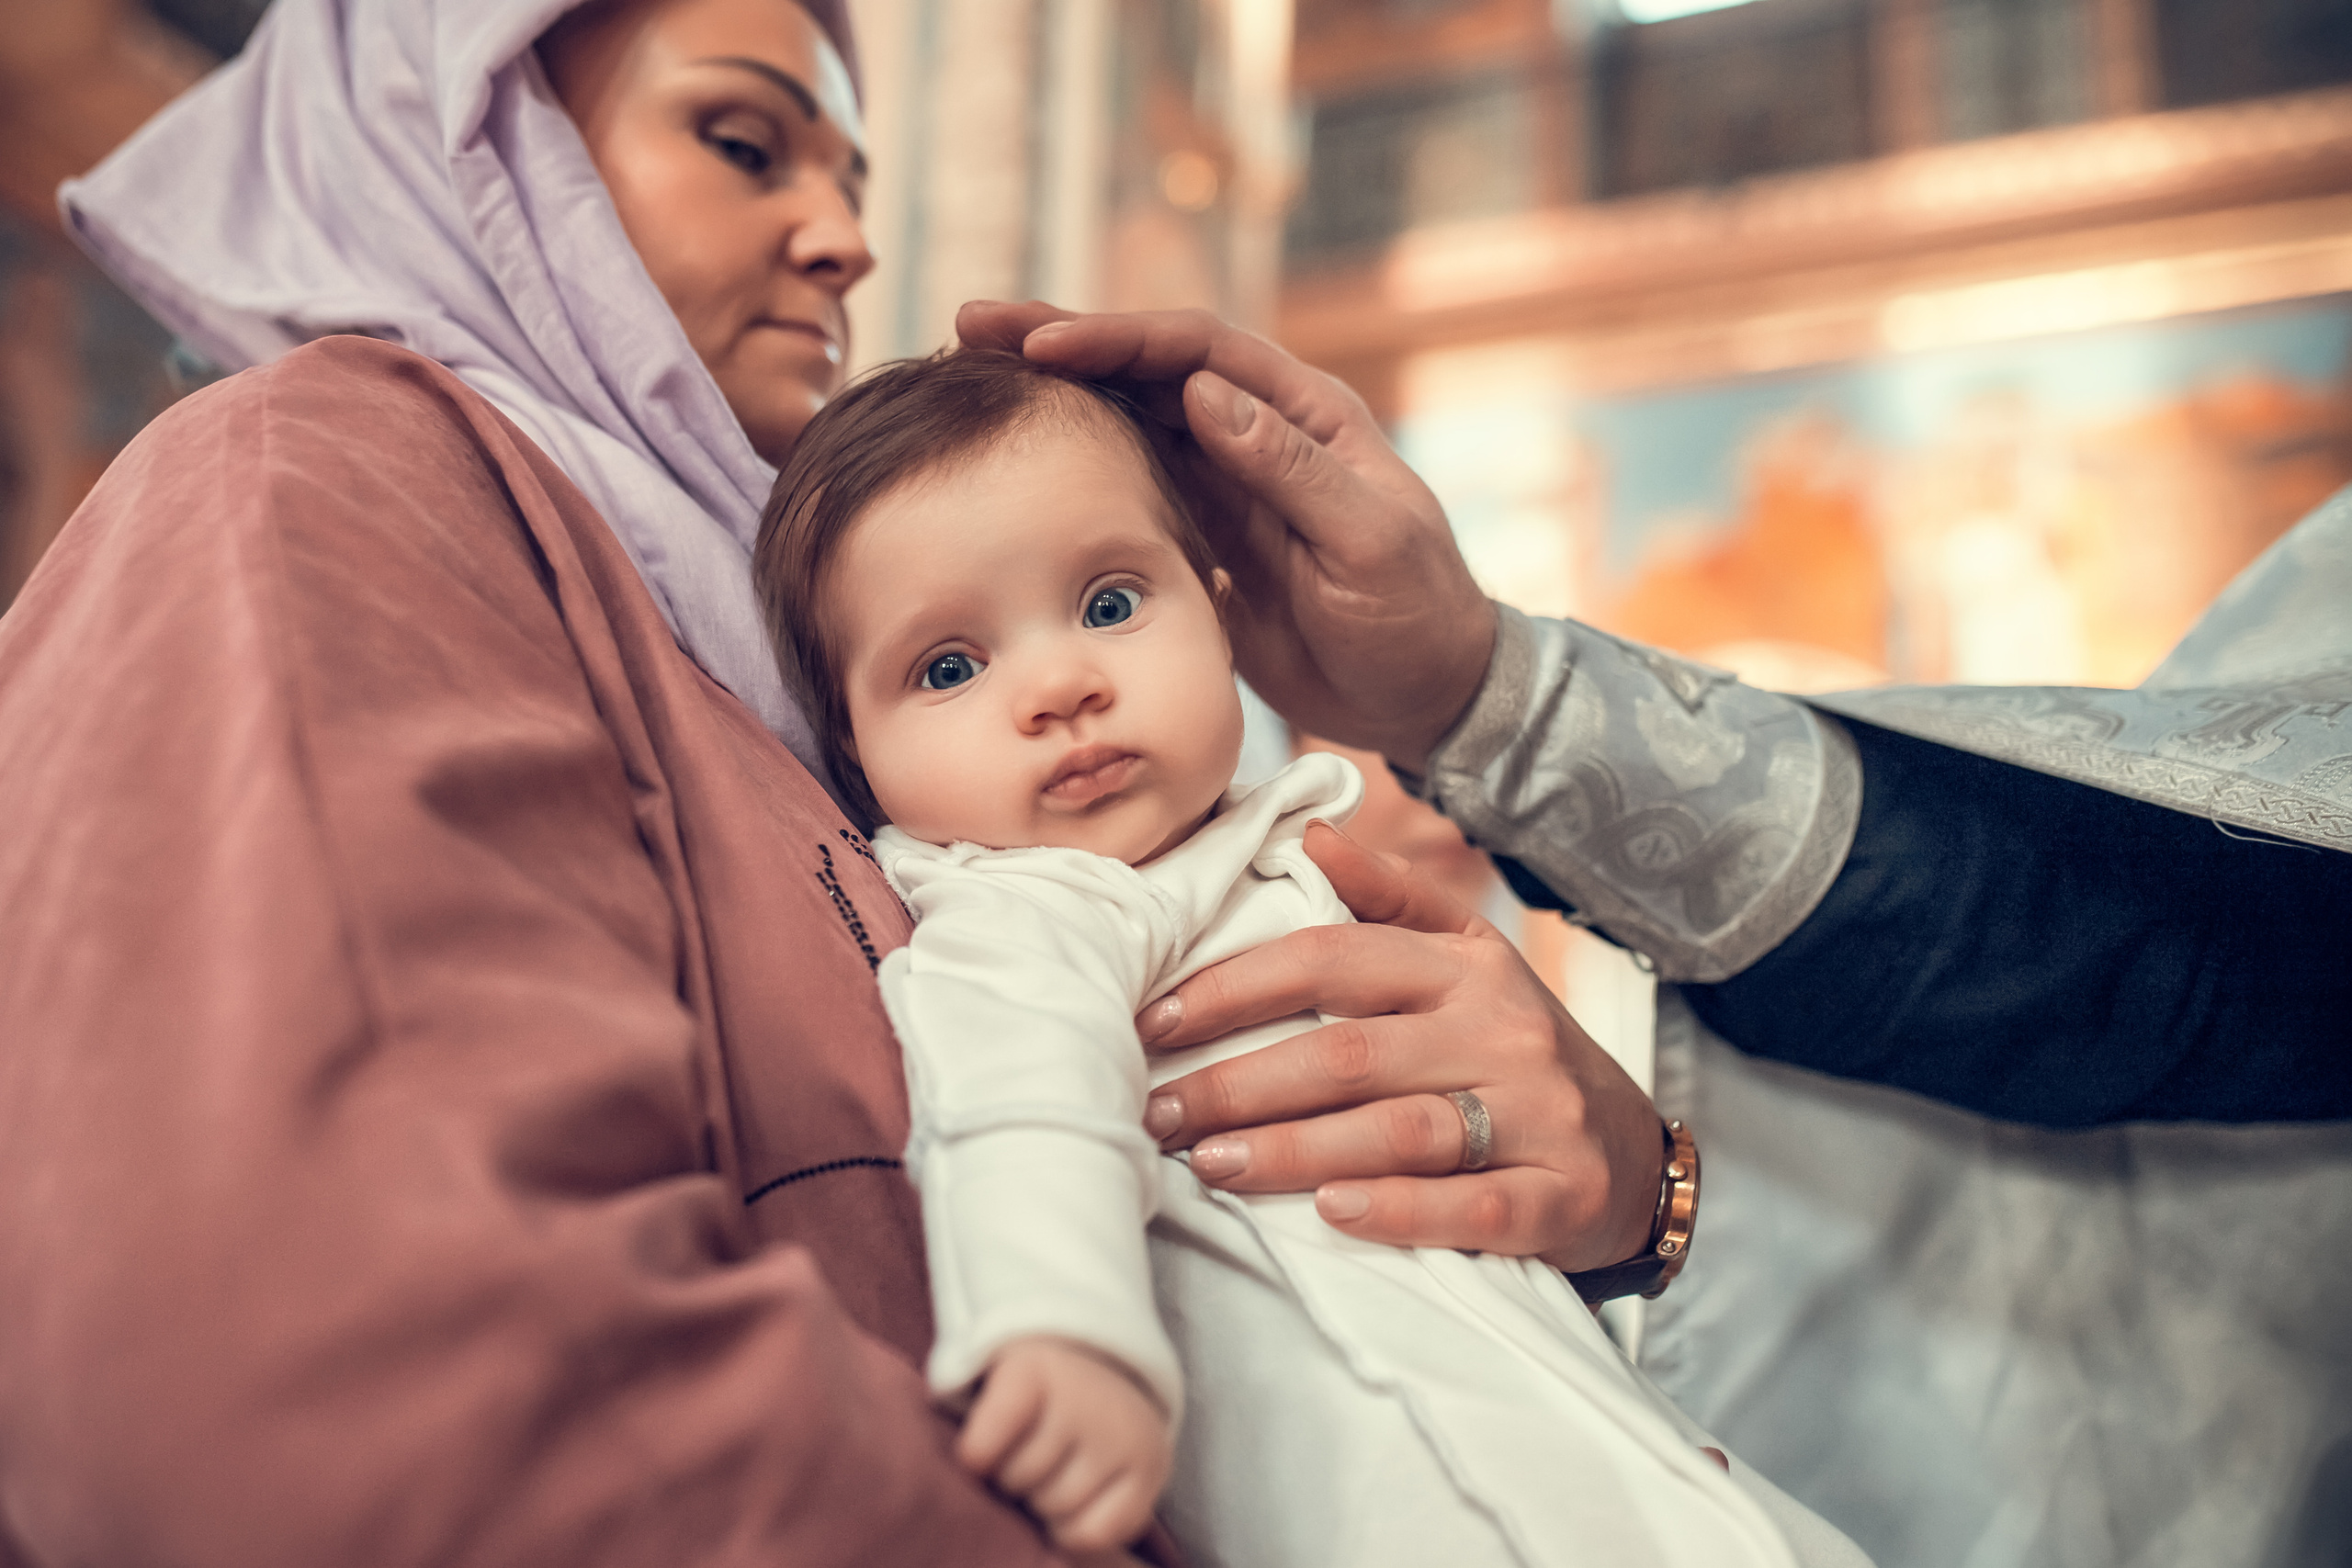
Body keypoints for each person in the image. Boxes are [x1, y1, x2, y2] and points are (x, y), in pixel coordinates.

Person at [0, 0, 1664, 1563]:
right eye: (745, 143)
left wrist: (1610, 1226)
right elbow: (331, 1354)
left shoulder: (741, 679)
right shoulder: (319, 473)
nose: (844, 239)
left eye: (854, 182)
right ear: (471, 147)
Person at [754, 346, 1871, 1568]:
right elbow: (1020, 1101)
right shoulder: (1027, 907)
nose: (1061, 685)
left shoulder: (1276, 851)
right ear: (856, 756)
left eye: (1110, 605)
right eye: (949, 668)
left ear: (1220, 615)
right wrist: (1064, 1330)